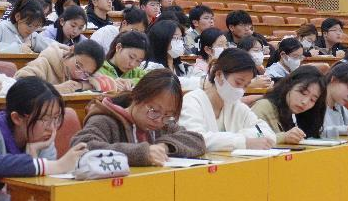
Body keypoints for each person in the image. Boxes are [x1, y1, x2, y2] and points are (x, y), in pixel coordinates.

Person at [71, 68, 206, 166]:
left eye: (168, 115)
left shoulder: (163, 124)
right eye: (154, 111)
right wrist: (141, 153)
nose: (159, 121)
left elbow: (197, 140)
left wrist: (165, 147)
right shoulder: (105, 120)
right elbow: (82, 147)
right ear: (136, 97)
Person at [179, 48, 275, 151]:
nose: (241, 91)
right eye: (238, 82)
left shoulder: (236, 105)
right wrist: (244, 142)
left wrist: (238, 138)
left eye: (245, 86)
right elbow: (195, 139)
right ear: (219, 75)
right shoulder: (192, 101)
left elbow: (268, 134)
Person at [251, 65, 326, 145]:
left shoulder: (300, 115)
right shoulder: (264, 107)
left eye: (312, 100)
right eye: (303, 93)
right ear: (288, 85)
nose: (305, 102)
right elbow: (249, 140)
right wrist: (283, 137)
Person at [14, 39, 105, 93]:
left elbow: (105, 84)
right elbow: (20, 83)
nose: (78, 73)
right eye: (78, 66)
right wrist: (57, 89)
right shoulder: (45, 62)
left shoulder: (88, 73)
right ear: (72, 51)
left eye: (85, 73)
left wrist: (81, 85)